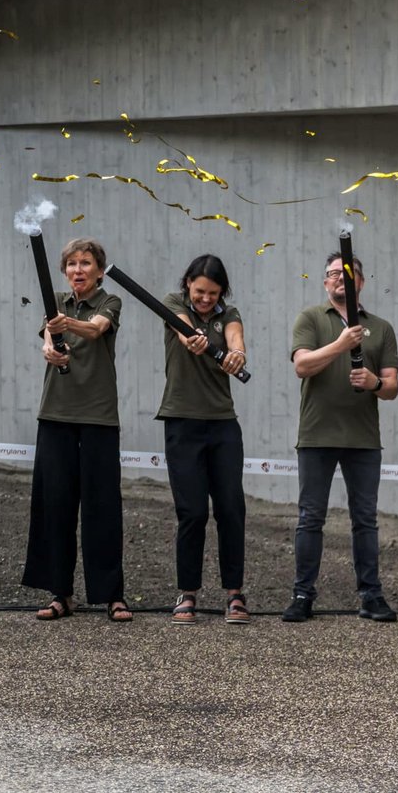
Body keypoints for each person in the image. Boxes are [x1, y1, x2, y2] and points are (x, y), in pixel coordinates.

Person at [282, 251, 398, 623]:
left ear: (360, 283)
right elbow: (302, 365)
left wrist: (374, 382)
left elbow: (392, 386)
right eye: (332, 274)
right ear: (325, 281)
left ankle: (371, 595)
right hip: (316, 435)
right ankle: (302, 594)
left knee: (365, 519)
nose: (339, 279)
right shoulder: (311, 318)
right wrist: (341, 343)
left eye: (347, 274)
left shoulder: (380, 327)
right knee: (310, 518)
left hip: (363, 440)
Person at [22, 238, 131, 621]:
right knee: (56, 505)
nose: (78, 269)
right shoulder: (56, 302)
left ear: (99, 270)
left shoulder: (109, 302)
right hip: (56, 415)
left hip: (99, 416)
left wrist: (65, 324)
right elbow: (48, 344)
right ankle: (60, 594)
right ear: (65, 270)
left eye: (86, 263)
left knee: (103, 507)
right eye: (72, 263)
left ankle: (112, 595)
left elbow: (96, 330)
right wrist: (51, 348)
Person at [157, 255, 250, 626]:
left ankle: (235, 594)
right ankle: (188, 592)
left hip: (223, 424)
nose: (205, 299)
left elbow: (236, 339)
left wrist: (237, 356)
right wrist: (190, 337)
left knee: (231, 508)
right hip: (182, 422)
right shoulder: (174, 303)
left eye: (212, 293)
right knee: (192, 512)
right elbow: (181, 327)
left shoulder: (229, 313)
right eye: (199, 291)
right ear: (188, 285)